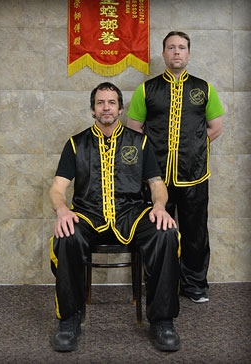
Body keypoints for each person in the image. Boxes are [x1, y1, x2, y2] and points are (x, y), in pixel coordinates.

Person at [49, 82, 181, 353]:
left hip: (131, 214)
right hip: (87, 214)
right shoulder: (76, 144)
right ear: (92, 109)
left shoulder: (140, 142)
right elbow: (58, 188)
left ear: (120, 109)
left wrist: (159, 206)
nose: (106, 107)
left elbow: (157, 184)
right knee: (67, 235)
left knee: (165, 232)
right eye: (100, 102)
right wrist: (62, 210)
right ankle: (69, 319)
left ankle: (162, 320)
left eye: (111, 102)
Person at [127, 31, 224, 304]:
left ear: (189, 54)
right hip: (157, 179)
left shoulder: (204, 89)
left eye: (182, 47)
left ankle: (194, 286)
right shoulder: (146, 90)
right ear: (164, 54)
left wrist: (193, 145)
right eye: (171, 47)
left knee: (195, 233)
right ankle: (160, 284)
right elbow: (134, 129)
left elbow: (215, 128)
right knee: (158, 232)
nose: (177, 52)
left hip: (195, 175)